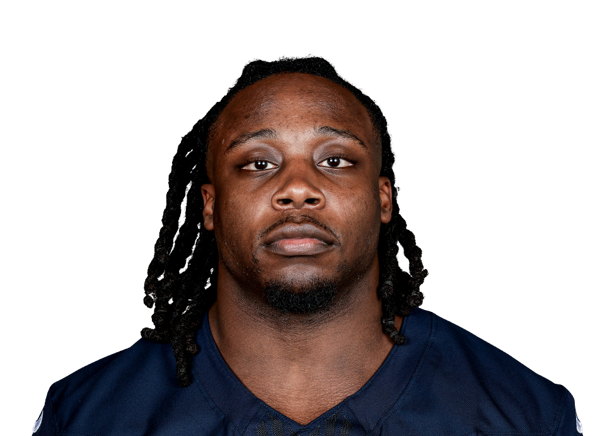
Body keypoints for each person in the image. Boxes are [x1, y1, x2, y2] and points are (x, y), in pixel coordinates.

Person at [32, 55, 583, 435]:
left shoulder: (525, 413)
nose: (297, 188)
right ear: (209, 205)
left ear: (384, 198)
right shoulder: (86, 416)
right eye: (258, 163)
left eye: (335, 160)